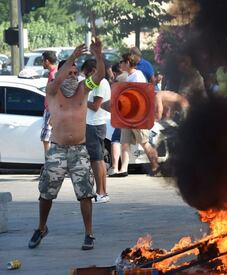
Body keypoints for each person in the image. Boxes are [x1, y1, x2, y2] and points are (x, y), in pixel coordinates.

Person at [28, 38, 105, 251]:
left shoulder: (83, 89)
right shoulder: (52, 91)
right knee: (46, 193)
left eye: (75, 73)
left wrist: (98, 55)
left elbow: (99, 76)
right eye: (68, 73)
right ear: (60, 75)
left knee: (85, 193)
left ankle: (89, 234)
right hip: (57, 150)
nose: (73, 77)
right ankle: (41, 228)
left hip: (79, 150)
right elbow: (57, 79)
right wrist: (71, 59)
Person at [109, 53, 160, 177]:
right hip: (128, 115)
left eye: (121, 61)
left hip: (138, 116)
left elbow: (140, 96)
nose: (120, 64)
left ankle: (156, 167)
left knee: (144, 142)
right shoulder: (128, 76)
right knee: (124, 142)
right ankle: (123, 169)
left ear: (127, 62)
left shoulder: (138, 76)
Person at [83, 59, 111, 203]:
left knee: (96, 160)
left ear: (93, 70)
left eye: (87, 74)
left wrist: (80, 100)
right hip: (94, 124)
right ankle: (103, 192)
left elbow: (95, 106)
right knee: (98, 160)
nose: (87, 78)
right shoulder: (99, 82)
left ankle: (101, 192)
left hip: (94, 124)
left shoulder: (100, 83)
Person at [40, 51, 58, 158]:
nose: (42, 63)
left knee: (46, 139)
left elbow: (55, 95)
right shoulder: (54, 73)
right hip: (52, 109)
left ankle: (49, 164)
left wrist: (52, 112)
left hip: (51, 110)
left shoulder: (53, 74)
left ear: (47, 61)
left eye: (42, 61)